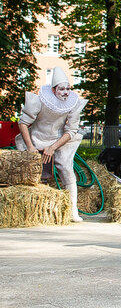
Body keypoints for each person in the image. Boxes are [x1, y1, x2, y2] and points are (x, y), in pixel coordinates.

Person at [15, 66, 88, 222]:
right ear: (54, 90)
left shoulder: (73, 104)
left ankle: (73, 210)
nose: (66, 92)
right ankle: (30, 211)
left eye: (68, 88)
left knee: (67, 171)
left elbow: (72, 130)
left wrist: (53, 147)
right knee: (30, 173)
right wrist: (30, 147)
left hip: (58, 140)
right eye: (62, 89)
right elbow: (23, 123)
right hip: (36, 138)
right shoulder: (40, 100)